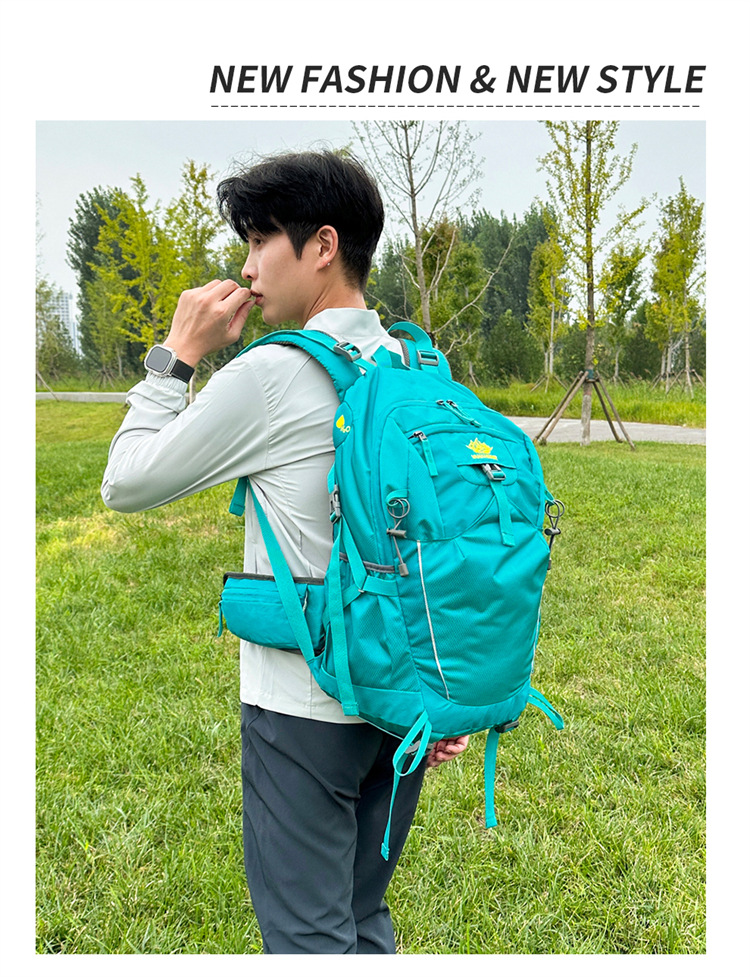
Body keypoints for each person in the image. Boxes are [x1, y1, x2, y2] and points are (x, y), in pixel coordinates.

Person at [101, 150, 468, 954]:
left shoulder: (272, 374)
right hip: (401, 703)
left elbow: (125, 481)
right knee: (362, 916)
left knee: (307, 939)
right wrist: (443, 692)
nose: (246, 266)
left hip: (302, 712)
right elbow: (443, 544)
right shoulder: (418, 365)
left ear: (323, 245)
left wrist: (176, 355)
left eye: (261, 240)